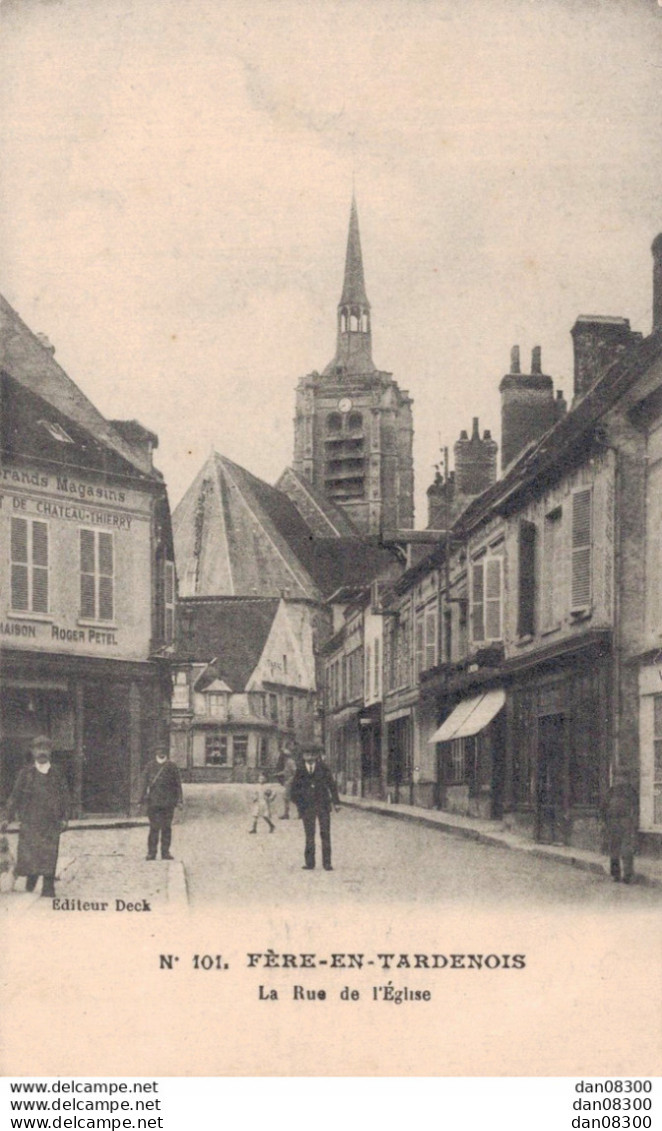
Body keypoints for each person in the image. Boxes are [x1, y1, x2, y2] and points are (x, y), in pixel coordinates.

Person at [0, 735, 70, 898]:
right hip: (30, 821)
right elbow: (15, 797)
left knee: (50, 853)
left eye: (45, 748)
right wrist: (6, 817)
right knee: (29, 853)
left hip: (51, 822)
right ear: (32, 751)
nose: (42, 752)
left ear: (50, 751)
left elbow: (65, 797)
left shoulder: (57, 774)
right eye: (38, 748)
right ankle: (31, 880)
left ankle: (48, 887)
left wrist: (65, 818)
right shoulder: (26, 774)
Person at [290, 744, 340, 871]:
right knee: (309, 834)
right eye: (307, 754)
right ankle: (309, 863)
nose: (310, 757)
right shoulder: (300, 770)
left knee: (325, 833)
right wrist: (300, 805)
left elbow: (332, 785)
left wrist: (336, 802)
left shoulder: (323, 768)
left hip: (323, 806)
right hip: (307, 808)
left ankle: (327, 863)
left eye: (312, 754)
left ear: (316, 756)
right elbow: (294, 790)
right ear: (303, 756)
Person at [140, 744, 184, 860]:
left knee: (166, 827)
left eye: (163, 750)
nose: (161, 752)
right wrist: (141, 798)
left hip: (168, 802)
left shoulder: (172, 766)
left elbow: (177, 785)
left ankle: (165, 852)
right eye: (159, 750)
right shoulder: (150, 766)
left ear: (166, 752)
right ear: (156, 752)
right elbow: (144, 783)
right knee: (154, 827)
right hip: (153, 802)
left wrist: (179, 800)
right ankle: (151, 852)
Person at [602, 769, 638, 884]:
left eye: (621, 777)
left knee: (624, 848)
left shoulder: (629, 791)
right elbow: (604, 806)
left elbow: (636, 807)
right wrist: (605, 821)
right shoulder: (613, 791)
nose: (619, 780)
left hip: (624, 821)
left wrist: (634, 822)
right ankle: (618, 874)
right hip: (615, 822)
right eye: (617, 777)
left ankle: (625, 874)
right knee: (616, 848)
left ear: (626, 779)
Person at [279, 746, 298, 820]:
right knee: (287, 798)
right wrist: (278, 774)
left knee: (291, 798)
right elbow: (286, 771)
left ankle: (300, 812)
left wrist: (291, 780)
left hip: (290, 782)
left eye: (282, 755)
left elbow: (295, 772)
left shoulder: (290, 762)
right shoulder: (286, 762)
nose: (282, 756)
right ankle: (286, 814)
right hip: (287, 782)